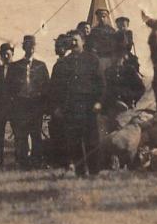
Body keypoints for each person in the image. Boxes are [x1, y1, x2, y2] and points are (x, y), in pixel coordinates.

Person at [55, 30, 104, 175]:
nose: (73, 43)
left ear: (83, 41)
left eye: (76, 40)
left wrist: (99, 102)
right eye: (71, 40)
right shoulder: (65, 62)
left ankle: (94, 171)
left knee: (91, 140)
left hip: (89, 106)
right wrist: (58, 106)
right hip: (71, 106)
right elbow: (58, 87)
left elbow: (101, 84)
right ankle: (80, 171)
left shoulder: (93, 59)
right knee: (74, 141)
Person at [8, 35, 49, 168]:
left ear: (35, 47)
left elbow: (46, 86)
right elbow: (9, 86)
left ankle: (37, 160)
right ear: (23, 47)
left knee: (36, 132)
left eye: (33, 45)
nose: (30, 48)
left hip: (35, 104)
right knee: (22, 133)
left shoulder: (41, 66)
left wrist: (43, 104)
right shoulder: (14, 66)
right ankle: (23, 161)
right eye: (28, 45)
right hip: (21, 104)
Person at [46, 34, 71, 167]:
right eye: (56, 46)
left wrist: (60, 106)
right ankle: (59, 161)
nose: (56, 48)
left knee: (64, 133)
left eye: (59, 46)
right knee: (57, 132)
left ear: (65, 47)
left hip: (64, 105)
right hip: (57, 105)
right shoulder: (59, 63)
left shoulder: (67, 63)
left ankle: (65, 161)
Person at [102, 53, 145, 124]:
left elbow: (141, 89)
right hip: (112, 104)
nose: (116, 60)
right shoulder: (108, 71)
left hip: (127, 103)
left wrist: (132, 97)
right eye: (114, 56)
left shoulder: (130, 70)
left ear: (124, 58)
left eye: (119, 57)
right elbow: (106, 89)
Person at [0, 43, 15, 166]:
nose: (6, 56)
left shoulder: (18, 68)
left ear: (12, 54)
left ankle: (20, 158)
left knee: (18, 132)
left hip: (14, 106)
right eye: (3, 53)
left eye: (8, 53)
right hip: (0, 106)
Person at [87, 8, 118, 75]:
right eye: (99, 17)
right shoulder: (93, 31)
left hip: (110, 58)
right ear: (97, 18)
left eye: (104, 17)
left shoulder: (112, 31)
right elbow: (91, 45)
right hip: (98, 58)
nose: (102, 19)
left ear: (107, 18)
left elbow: (114, 46)